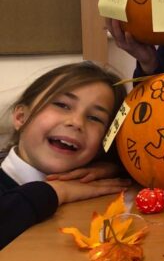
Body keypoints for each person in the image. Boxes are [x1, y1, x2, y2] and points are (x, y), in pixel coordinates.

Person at [1, 62, 131, 249]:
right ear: (21, 117)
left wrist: (114, 165)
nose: (76, 122)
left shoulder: (95, 182)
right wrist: (56, 191)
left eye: (95, 118)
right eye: (62, 105)